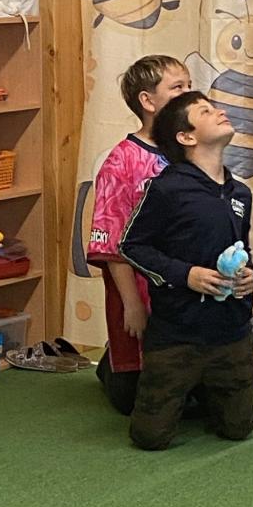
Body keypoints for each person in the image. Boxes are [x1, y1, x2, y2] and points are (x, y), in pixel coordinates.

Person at [119, 91, 253, 450]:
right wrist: (186, 275)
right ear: (186, 137)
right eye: (206, 111)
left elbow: (243, 250)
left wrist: (250, 275)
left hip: (231, 334)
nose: (220, 112)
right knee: (150, 438)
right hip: (177, 335)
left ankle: (203, 390)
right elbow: (132, 246)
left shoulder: (241, 193)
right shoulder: (167, 188)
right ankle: (119, 373)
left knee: (238, 429)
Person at [87, 55, 191, 415]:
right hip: (141, 288)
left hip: (185, 286)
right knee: (135, 402)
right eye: (177, 88)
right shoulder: (122, 162)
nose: (188, 95)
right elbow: (112, 243)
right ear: (148, 101)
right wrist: (132, 305)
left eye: (189, 86)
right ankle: (111, 365)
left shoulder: (190, 152)